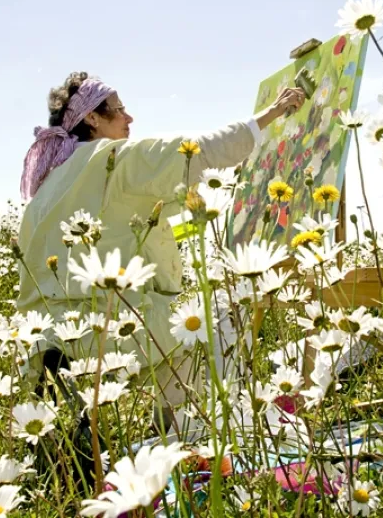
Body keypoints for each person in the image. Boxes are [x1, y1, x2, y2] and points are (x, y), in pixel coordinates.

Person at [15, 71, 305, 415]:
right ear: (92, 118)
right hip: (106, 333)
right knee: (221, 316)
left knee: (178, 340)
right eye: (118, 109)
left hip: (46, 342)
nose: (129, 117)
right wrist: (270, 114)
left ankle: (173, 432)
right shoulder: (111, 158)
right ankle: (200, 434)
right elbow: (196, 152)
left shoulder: (48, 188)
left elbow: (129, 221)